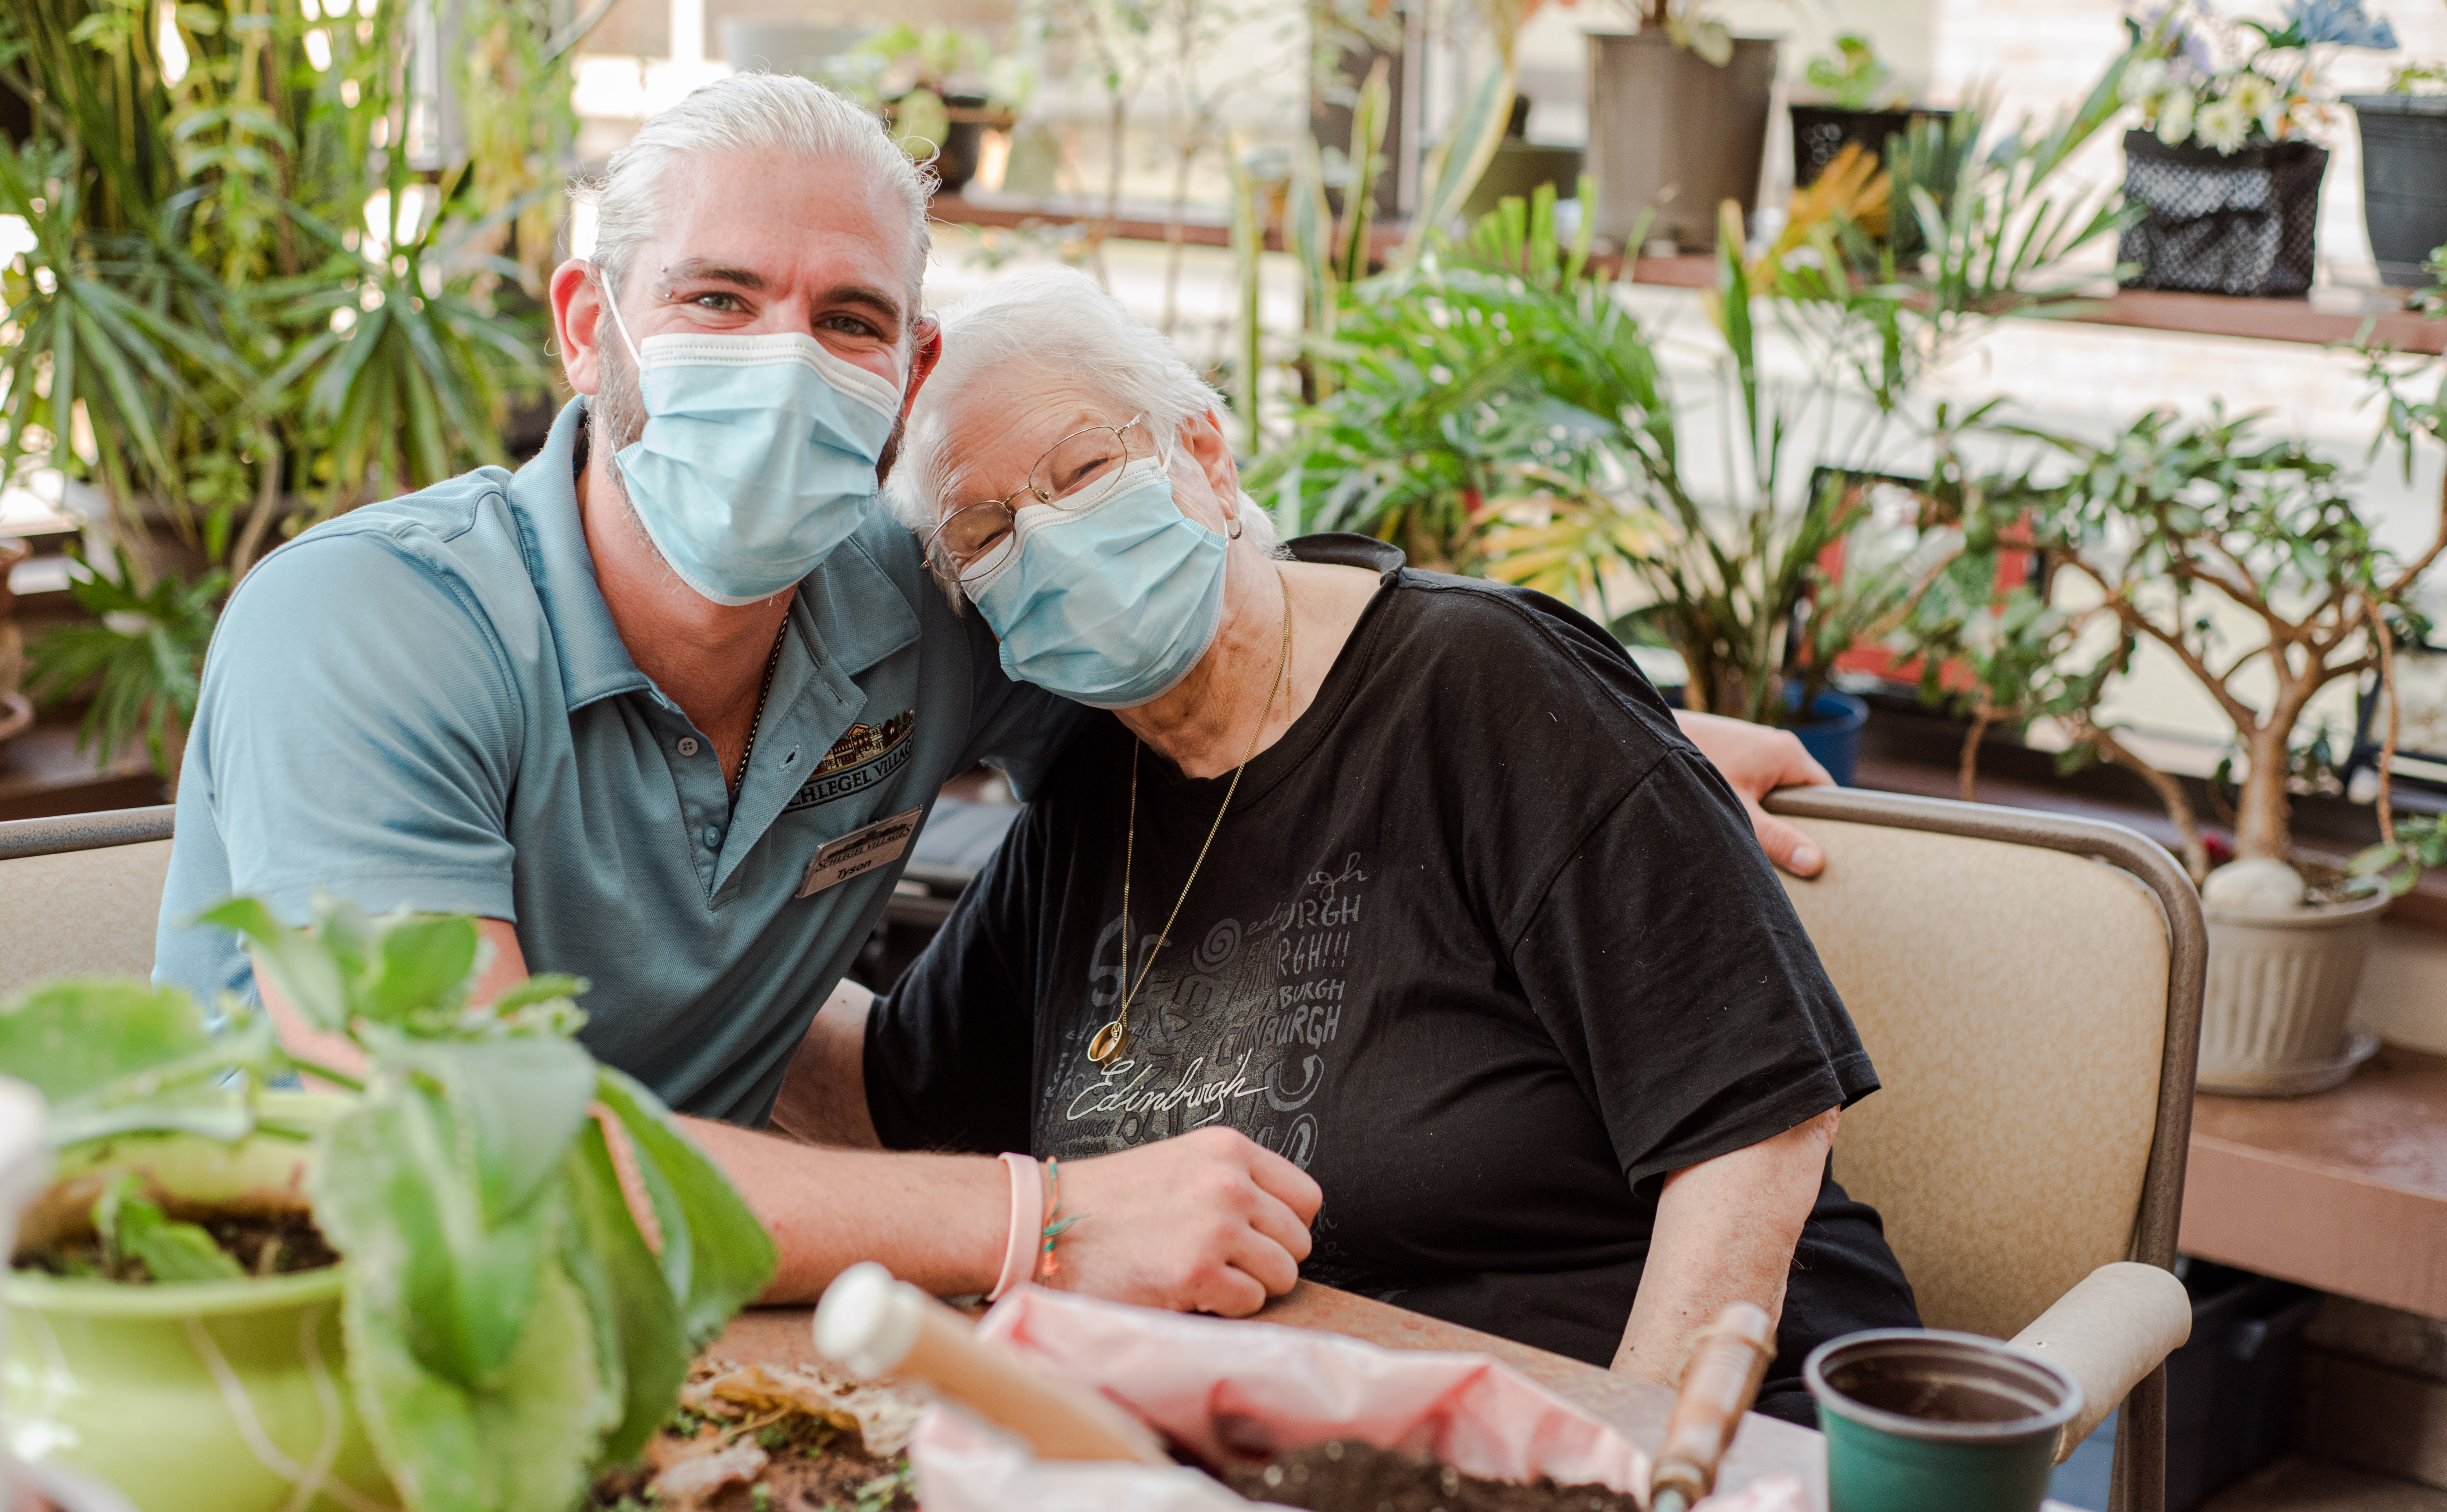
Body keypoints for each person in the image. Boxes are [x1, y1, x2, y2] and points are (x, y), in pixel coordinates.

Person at [153, 73, 1837, 1317]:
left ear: (906, 373)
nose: (783, 361)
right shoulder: (367, 629)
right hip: (312, 1314)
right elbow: (485, 1152)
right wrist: (1052, 1217)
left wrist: (1606, 735)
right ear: (591, 326)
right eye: (718, 301)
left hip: (697, 1312)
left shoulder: (937, 607)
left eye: (850, 318)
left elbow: (1239, 677)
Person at [791, 270, 1915, 1418]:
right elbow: (892, 1098)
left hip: (1673, 1423)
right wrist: (657, 977)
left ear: (1206, 457)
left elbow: (1757, 1128)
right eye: (987, 533)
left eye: (1081, 472)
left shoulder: (1484, 686)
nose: (1051, 539)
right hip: (1308, 1440)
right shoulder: (1098, 788)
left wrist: (1617, 1469)